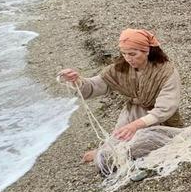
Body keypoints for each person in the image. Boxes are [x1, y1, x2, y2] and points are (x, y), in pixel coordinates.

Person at [58, 28, 183, 171]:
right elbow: (94, 87)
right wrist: (76, 81)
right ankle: (103, 152)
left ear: (147, 51)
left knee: (133, 150)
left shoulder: (167, 72)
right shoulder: (119, 68)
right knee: (114, 145)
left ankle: (106, 154)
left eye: (133, 54)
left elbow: (165, 108)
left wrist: (135, 126)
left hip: (160, 120)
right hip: (131, 115)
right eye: (124, 54)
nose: (128, 58)